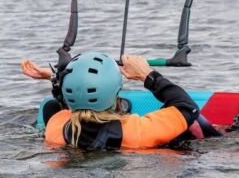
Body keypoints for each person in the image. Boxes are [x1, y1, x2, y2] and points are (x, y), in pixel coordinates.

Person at [22, 53, 220, 149]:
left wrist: (54, 77)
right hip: (142, 168)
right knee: (195, 124)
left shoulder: (55, 126)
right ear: (116, 95)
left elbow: (57, 104)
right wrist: (147, 75)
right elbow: (188, 108)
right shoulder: (138, 131)